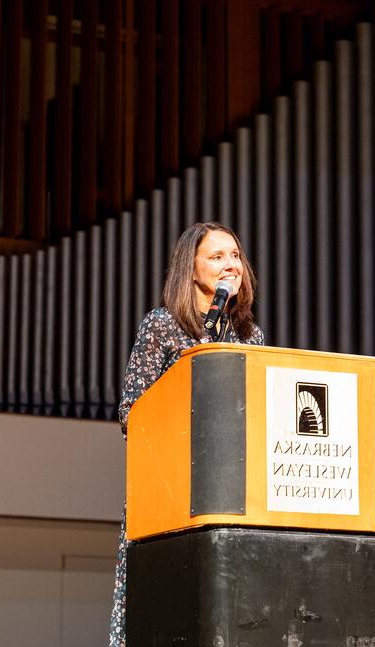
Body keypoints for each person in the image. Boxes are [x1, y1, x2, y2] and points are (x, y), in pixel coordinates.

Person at [107, 222, 265, 647]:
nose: (230, 264)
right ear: (190, 269)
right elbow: (131, 413)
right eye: (216, 257)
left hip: (230, 493)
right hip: (168, 491)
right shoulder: (162, 324)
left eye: (235, 255)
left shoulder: (250, 336)